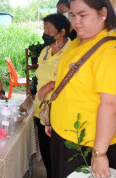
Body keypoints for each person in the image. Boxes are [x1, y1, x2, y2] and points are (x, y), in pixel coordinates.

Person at [47, 0, 116, 178]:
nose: (76, 22)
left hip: (91, 144)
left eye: (82, 15)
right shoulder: (80, 42)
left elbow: (111, 104)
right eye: (72, 16)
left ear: (103, 12)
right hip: (67, 134)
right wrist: (53, 118)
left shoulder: (111, 51)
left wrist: (99, 153)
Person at [33, 13, 71, 178]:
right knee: (47, 156)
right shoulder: (45, 51)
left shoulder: (71, 51)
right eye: (44, 29)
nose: (45, 33)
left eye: (49, 30)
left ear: (62, 32)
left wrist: (50, 86)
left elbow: (73, 81)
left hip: (58, 112)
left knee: (59, 157)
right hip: (40, 111)